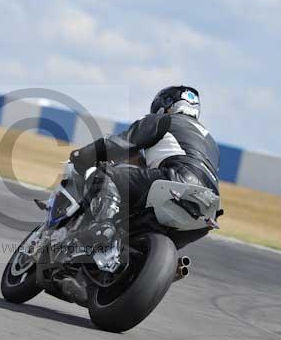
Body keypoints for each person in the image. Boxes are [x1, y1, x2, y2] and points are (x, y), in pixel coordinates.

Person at [69, 86, 220, 243]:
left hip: (177, 180)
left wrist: (82, 156)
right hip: (209, 207)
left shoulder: (162, 120)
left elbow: (118, 144)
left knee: (106, 175)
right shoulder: (211, 143)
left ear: (166, 105)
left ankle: (102, 227)